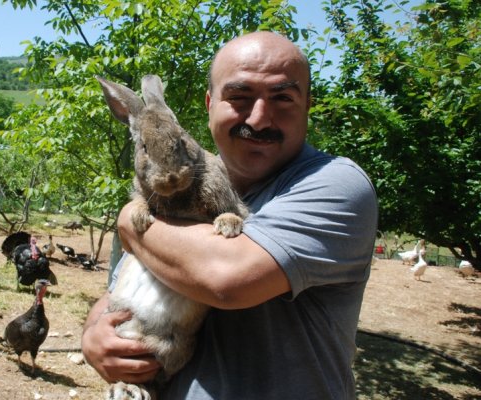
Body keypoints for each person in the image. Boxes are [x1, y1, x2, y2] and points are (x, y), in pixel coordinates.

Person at [82, 31, 378, 399]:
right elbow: (125, 279)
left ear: (307, 105)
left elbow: (226, 279)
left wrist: (129, 218)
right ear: (210, 104)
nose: (258, 118)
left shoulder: (336, 184)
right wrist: (95, 332)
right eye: (238, 97)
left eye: (283, 98)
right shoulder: (170, 189)